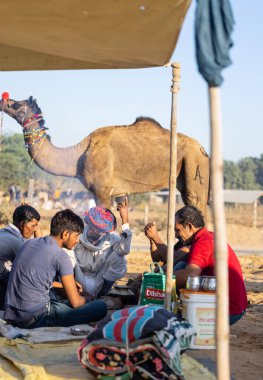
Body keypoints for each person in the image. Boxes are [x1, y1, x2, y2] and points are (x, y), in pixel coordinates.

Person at [4, 209, 107, 328]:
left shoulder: (29, 243)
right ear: (65, 234)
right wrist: (87, 298)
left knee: (55, 295)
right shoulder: (61, 256)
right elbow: (76, 303)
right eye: (76, 236)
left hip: (12, 314)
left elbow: (37, 279)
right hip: (35, 318)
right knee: (100, 307)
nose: (77, 241)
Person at [172, 206, 247, 325]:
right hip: (235, 306)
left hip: (228, 310)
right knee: (181, 265)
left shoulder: (204, 242)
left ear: (189, 226)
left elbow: (189, 275)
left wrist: (163, 277)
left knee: (180, 270)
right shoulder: (208, 236)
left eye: (178, 230)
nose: (176, 235)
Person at [69, 197, 131, 299]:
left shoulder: (111, 239)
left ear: (105, 232)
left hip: (99, 281)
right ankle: (71, 294)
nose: (95, 231)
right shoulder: (78, 236)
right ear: (88, 224)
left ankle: (102, 296)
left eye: (100, 230)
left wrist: (125, 220)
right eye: (93, 228)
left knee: (119, 258)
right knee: (67, 253)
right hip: (77, 281)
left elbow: (125, 249)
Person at [0, 204, 41, 309]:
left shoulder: (5, 232)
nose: (35, 229)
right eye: (33, 226)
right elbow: (39, 259)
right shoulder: (16, 242)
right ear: (22, 224)